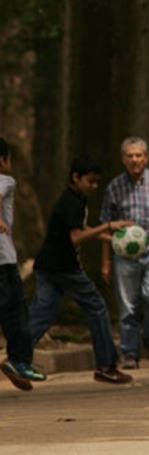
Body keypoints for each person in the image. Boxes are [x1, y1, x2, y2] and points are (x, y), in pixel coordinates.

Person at [28, 157, 134, 384]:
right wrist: (108, 225)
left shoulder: (76, 199)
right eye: (91, 181)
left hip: (48, 265)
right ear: (75, 177)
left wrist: (110, 238)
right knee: (97, 307)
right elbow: (75, 237)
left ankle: (17, 357)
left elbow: (79, 228)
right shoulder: (71, 202)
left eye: (97, 182)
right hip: (64, 267)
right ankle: (106, 365)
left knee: (43, 313)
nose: (94, 186)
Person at [99, 137, 149, 369]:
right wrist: (106, 262)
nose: (134, 160)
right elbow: (106, 224)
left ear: (146, 158)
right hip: (124, 253)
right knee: (128, 305)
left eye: (139, 155)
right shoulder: (114, 187)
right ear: (123, 159)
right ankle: (130, 353)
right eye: (130, 156)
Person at [0, 138, 47, 391]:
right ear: (3, 160)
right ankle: (18, 361)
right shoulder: (6, 180)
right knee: (17, 313)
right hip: (4, 262)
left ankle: (17, 362)